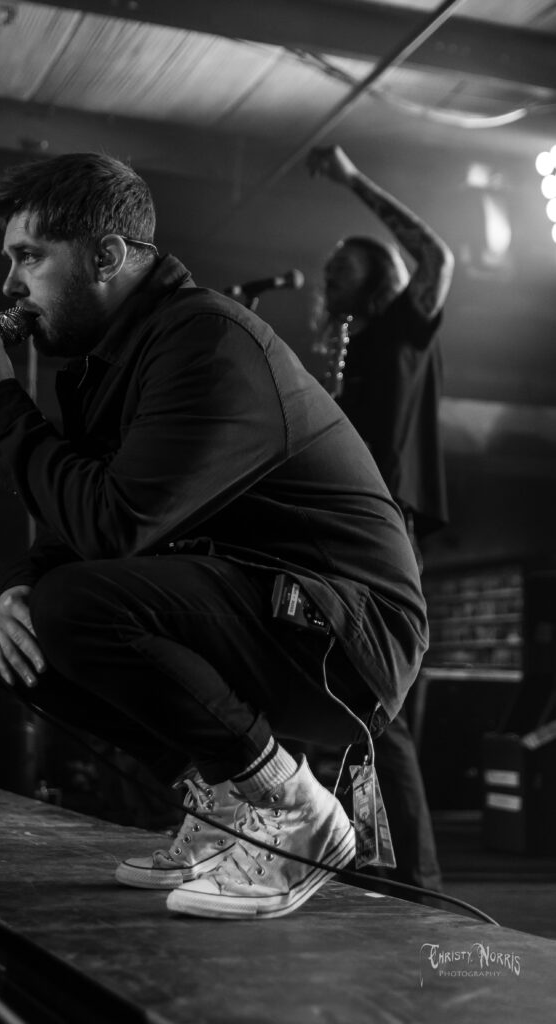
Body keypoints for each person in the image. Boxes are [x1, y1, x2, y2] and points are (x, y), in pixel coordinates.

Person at [0, 151, 428, 921]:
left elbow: (115, 526)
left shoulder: (204, 342)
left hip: (348, 632)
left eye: (28, 256)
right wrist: (14, 587)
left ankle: (293, 810)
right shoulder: (119, 361)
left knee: (76, 605)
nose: (9, 285)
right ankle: (225, 804)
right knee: (16, 628)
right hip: (266, 609)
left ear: (106, 255)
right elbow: (80, 521)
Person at [307, 143, 455, 895]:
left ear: (377, 275)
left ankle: (417, 884)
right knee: (348, 708)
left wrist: (351, 179)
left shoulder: (403, 328)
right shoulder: (353, 350)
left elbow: (436, 256)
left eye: (343, 264)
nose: (327, 275)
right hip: (346, 536)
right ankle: (371, 865)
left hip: (384, 535)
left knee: (376, 711)